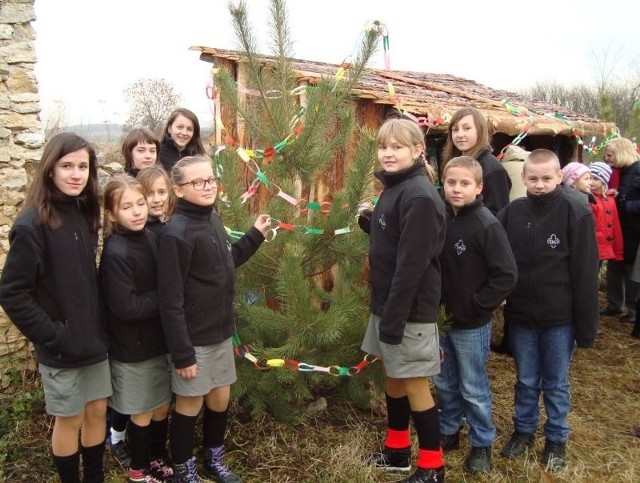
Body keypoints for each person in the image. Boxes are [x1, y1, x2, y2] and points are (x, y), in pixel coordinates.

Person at [0, 133, 110, 482]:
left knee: (97, 410)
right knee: (70, 418)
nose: (76, 174)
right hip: (61, 346)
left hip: (93, 341)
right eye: (67, 166)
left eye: (83, 166)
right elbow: (13, 293)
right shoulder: (31, 224)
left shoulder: (84, 212)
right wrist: (53, 335)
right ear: (50, 170)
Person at [158, 156, 271, 482]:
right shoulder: (176, 235)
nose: (207, 186)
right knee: (190, 403)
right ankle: (183, 469)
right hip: (193, 340)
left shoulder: (212, 220)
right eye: (198, 182)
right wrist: (182, 353)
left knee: (220, 397)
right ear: (178, 190)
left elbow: (226, 262)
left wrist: (256, 235)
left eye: (210, 180)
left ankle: (213, 458)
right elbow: (170, 301)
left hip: (221, 333)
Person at [497, 149, 599, 471]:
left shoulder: (575, 212)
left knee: (555, 382)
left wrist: (586, 327)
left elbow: (585, 273)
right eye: (533, 178)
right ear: (524, 178)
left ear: (559, 177)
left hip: (560, 318)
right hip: (522, 315)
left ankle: (556, 438)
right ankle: (523, 431)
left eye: (546, 178)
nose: (539, 185)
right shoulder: (512, 213)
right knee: (526, 379)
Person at [358, 118, 446, 483]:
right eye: (383, 147)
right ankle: (396, 451)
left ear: (417, 150)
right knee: (394, 376)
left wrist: (394, 317)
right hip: (388, 305)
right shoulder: (395, 189)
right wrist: (372, 222)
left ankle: (432, 466)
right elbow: (397, 238)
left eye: (397, 147)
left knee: (414, 383)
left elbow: (412, 265)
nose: (388, 153)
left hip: (408, 309)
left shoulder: (420, 195)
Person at [432, 156, 517, 474]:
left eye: (464, 184)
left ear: (479, 187)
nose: (456, 189)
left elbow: (506, 275)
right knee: (443, 379)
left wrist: (478, 305)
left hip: (470, 324)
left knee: (473, 385)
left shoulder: (486, 224)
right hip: (440, 318)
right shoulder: (440, 217)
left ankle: (482, 443)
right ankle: (450, 428)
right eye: (451, 183)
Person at [100, 175, 173, 483]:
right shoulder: (116, 252)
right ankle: (138, 470)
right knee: (141, 412)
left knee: (160, 407)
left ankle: (156, 458)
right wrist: (167, 297)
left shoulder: (151, 237)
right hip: (134, 348)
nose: (138, 211)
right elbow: (126, 308)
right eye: (127, 207)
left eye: (140, 203)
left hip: (158, 342)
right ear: (112, 214)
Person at [441, 107, 511, 215]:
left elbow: (498, 214)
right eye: (455, 129)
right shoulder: (453, 163)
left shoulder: (493, 169)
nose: (460, 135)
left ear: (479, 131)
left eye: (466, 128)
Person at [601, 137, 640, 324]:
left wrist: (622, 204)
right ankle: (615, 303)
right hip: (615, 228)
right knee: (614, 267)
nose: (607, 158)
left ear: (621, 153)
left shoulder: (638, 171)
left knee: (632, 270)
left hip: (633, 229)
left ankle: (633, 309)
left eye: (610, 155)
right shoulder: (614, 172)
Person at [588, 161, 623, 266]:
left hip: (603, 247)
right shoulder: (586, 198)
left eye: (595, 179)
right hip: (591, 246)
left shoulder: (610, 199)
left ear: (603, 181)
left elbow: (615, 225)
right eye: (589, 178)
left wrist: (618, 251)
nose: (591, 182)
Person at [159, 108, 206, 172]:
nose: (184, 133)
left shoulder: (199, 157)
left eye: (189, 129)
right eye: (180, 127)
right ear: (169, 128)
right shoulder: (157, 154)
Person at [137, 166, 174, 237]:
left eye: (161, 192)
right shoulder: (143, 233)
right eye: (149, 194)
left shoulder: (174, 221)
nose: (156, 200)